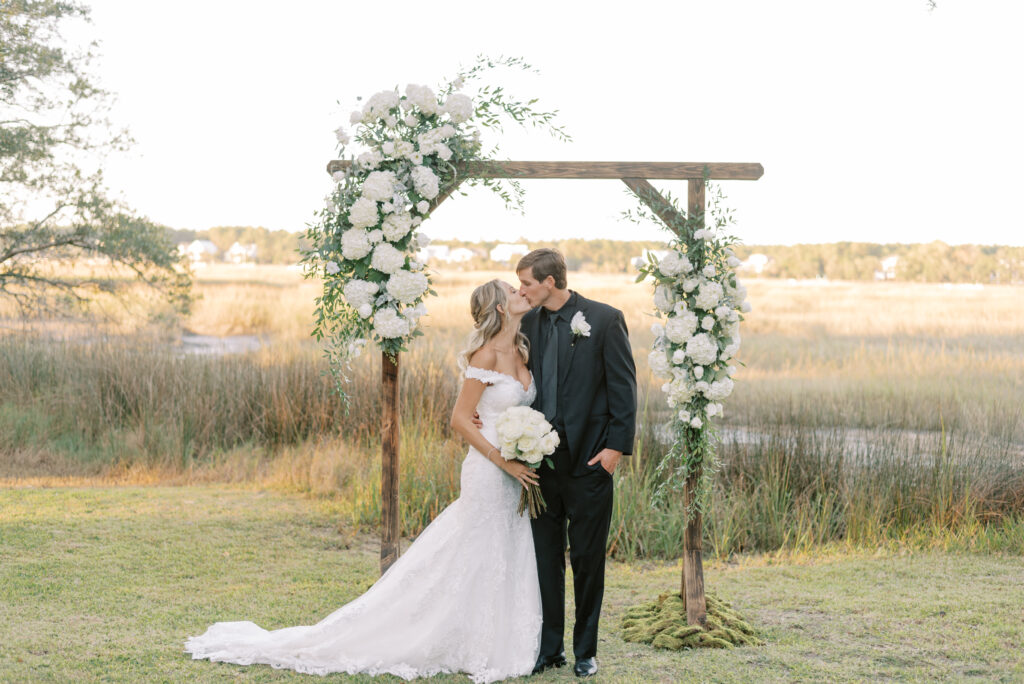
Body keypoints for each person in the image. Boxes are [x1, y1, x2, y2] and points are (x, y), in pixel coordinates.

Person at [185, 280, 543, 684]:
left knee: (498, 549)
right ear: (499, 308)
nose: (521, 293)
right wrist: (503, 460)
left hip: (514, 469)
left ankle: (491, 637)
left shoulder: (522, 349)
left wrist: (529, 444)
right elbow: (459, 419)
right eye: (513, 290)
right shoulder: (487, 354)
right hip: (488, 469)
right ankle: (459, 637)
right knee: (477, 549)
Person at [517, 248, 637, 678]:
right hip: (539, 466)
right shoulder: (526, 324)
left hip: (590, 461)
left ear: (550, 282)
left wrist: (614, 451)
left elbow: (623, 386)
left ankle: (585, 650)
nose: (521, 291)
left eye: (527, 283)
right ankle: (549, 650)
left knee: (587, 559)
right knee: (545, 558)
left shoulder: (603, 319)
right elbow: (516, 382)